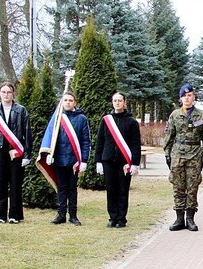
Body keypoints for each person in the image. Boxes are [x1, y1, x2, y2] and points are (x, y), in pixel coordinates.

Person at [163, 83, 203, 231]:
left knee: (192, 187)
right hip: (178, 155)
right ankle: (179, 219)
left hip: (195, 155)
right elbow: (169, 136)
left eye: (189, 95)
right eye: (184, 96)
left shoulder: (201, 115)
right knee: (178, 187)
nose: (187, 98)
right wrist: (167, 154)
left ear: (193, 97)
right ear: (180, 98)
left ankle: (190, 219)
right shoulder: (175, 115)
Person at [0, 82, 33, 224]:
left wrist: (27, 155)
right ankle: (1, 215)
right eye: (3, 92)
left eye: (9, 92)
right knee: (1, 184)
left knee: (15, 184)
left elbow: (27, 133)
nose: (6, 95)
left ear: (13, 94)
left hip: (16, 152)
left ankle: (14, 215)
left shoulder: (21, 110)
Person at [95, 92, 141, 228]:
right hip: (108, 160)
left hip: (124, 162)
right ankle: (112, 217)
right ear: (112, 102)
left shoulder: (132, 122)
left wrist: (135, 163)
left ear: (124, 102)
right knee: (111, 190)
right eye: (115, 100)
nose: (117, 103)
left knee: (122, 191)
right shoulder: (106, 120)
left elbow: (135, 144)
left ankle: (121, 219)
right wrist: (98, 161)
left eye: (120, 100)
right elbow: (100, 141)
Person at [49, 91, 91, 226]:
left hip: (74, 161)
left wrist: (84, 160)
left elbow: (86, 141)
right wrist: (49, 153)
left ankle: (73, 216)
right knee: (61, 188)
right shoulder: (57, 117)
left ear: (75, 103)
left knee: (72, 189)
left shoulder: (82, 119)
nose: (67, 102)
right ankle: (61, 215)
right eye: (65, 100)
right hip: (59, 159)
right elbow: (50, 137)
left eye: (70, 100)